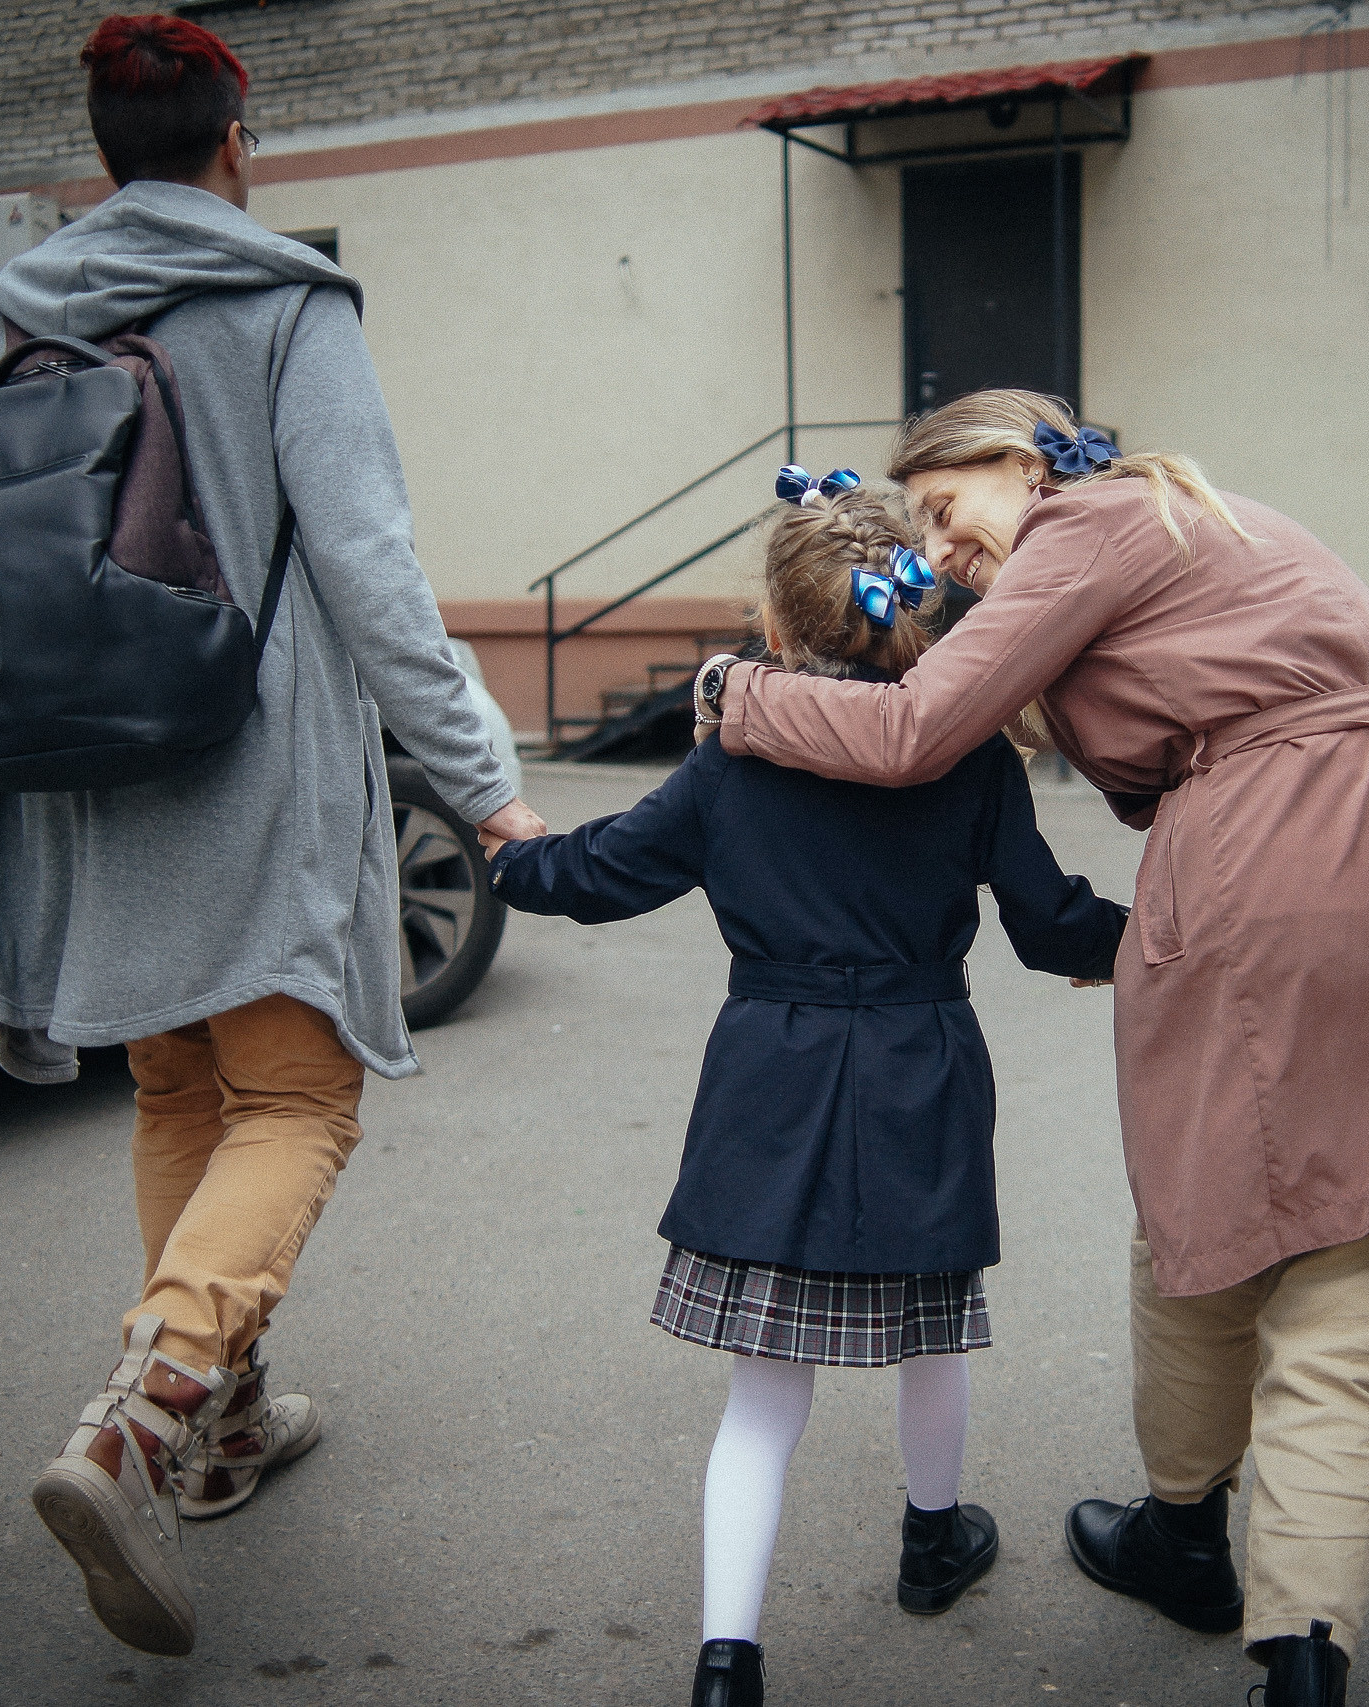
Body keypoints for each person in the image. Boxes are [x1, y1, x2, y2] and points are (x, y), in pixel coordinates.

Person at [695, 392, 1369, 1707]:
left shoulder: (1081, 528)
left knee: (1209, 1200)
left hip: (1264, 848)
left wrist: (734, 690)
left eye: (946, 506)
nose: (941, 545)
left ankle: (1187, 1526)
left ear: (1019, 457)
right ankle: (1299, 1647)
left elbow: (912, 734)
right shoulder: (1204, 520)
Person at [0, 15, 545, 1657]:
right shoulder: (285, 303)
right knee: (293, 1098)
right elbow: (368, 566)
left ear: (104, 153)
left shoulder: (10, 314)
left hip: (83, 772)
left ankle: (218, 1432)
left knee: (179, 1092)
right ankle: (140, 1419)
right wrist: (485, 782)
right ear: (239, 139)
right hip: (246, 760)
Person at [487, 471, 1127, 1707]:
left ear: (776, 625)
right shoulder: (970, 760)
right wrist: (1152, 941)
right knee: (931, 1332)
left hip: (769, 1073)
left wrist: (512, 861)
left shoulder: (732, 764)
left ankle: (726, 1662)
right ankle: (933, 1542)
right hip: (920, 1067)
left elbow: (603, 873)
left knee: (763, 1393)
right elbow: (1048, 923)